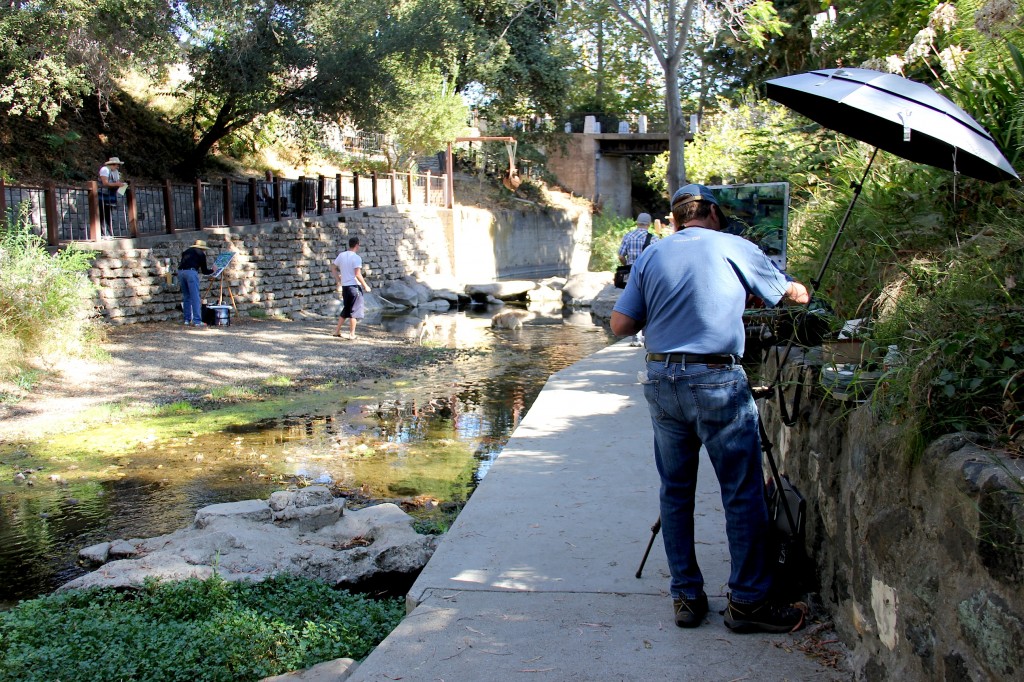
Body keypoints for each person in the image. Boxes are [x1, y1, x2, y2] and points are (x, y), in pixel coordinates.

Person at [610, 184, 810, 634]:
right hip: (716, 378)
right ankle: (747, 604)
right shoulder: (736, 246)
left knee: (675, 491)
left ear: (676, 220)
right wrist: (798, 288)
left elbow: (621, 324)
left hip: (662, 380)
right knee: (741, 491)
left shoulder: (653, 254)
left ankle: (686, 597)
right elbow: (791, 297)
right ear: (714, 215)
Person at [618, 212, 658, 347]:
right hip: (648, 275)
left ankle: (635, 337)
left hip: (631, 275)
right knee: (647, 304)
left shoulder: (628, 236)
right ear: (649, 224)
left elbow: (621, 255)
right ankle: (646, 335)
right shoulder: (653, 239)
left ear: (637, 222)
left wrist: (627, 265)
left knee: (633, 304)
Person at [331, 236, 371, 340]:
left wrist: (338, 280)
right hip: (354, 287)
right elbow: (357, 274)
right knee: (355, 311)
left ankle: (337, 331)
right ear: (357, 245)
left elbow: (333, 267)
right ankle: (352, 334)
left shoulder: (341, 255)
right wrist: (365, 286)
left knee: (346, 309)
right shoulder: (357, 258)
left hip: (345, 287)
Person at [178, 239, 214, 328]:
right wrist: (213, 270)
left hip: (181, 272)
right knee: (195, 297)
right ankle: (197, 321)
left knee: (187, 296)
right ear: (203, 248)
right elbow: (204, 271)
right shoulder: (201, 254)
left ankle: (187, 319)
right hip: (191, 273)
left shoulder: (186, 251)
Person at [98, 157, 126, 239]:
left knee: (108, 213)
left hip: (111, 194)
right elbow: (105, 183)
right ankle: (103, 233)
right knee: (102, 213)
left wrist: (121, 185)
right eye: (117, 165)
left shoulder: (116, 172)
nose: (118, 167)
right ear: (113, 164)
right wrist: (117, 184)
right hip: (103, 194)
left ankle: (109, 232)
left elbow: (116, 181)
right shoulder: (105, 170)